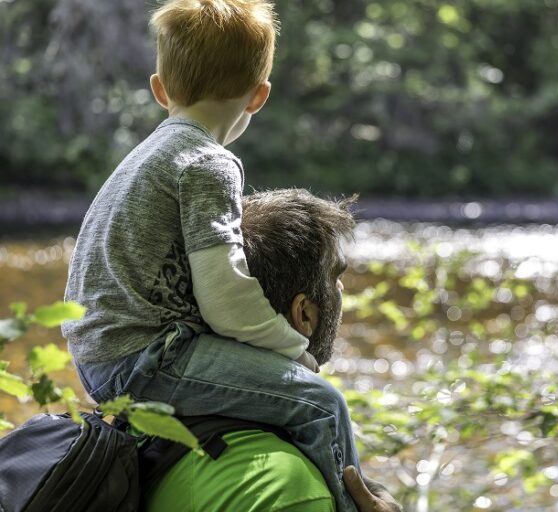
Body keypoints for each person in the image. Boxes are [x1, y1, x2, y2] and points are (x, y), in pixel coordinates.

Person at [62, 1, 359, 510]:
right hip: (144, 359)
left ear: (160, 89)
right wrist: (295, 352)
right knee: (320, 401)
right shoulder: (206, 162)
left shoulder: (147, 155)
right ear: (259, 96)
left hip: (98, 355)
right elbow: (225, 296)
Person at [146, 189, 401, 512]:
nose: (340, 287)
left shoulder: (150, 420)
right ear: (304, 313)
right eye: (336, 275)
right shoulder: (293, 492)